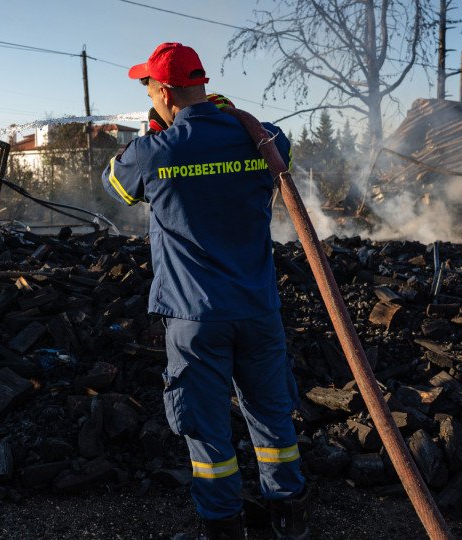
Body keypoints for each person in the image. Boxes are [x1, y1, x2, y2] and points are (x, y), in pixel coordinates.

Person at [100, 42, 309, 540]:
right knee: (273, 416)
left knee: (206, 427)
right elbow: (284, 148)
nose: (147, 93)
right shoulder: (257, 136)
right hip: (258, 309)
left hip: (195, 318)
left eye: (148, 85)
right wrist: (224, 118)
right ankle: (290, 518)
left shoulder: (155, 149)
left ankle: (222, 525)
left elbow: (116, 185)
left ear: (165, 91)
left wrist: (158, 131)